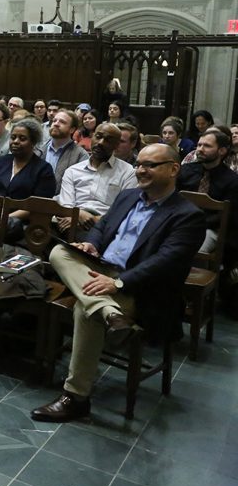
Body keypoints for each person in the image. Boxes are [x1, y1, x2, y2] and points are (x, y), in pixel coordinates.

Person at [32, 144, 204, 423]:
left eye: (151, 165)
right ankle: (111, 313)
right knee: (58, 251)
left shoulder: (187, 215)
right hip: (99, 271)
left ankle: (75, 398)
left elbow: (165, 262)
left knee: (85, 311)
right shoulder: (128, 196)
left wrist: (119, 284)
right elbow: (102, 228)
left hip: (140, 289)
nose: (141, 170)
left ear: (174, 169)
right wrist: (91, 245)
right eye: (139, 164)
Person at [56, 123, 138, 241]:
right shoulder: (73, 171)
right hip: (71, 222)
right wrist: (79, 215)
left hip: (105, 226)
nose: (101, 142)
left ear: (116, 145)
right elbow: (66, 206)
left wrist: (94, 220)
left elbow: (123, 210)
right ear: (92, 137)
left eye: (108, 140)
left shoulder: (128, 172)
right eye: (98, 136)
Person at [177, 130, 238, 256]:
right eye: (199, 145)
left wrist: (197, 222)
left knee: (194, 251)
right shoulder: (185, 171)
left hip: (210, 228)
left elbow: (228, 216)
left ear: (222, 151)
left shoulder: (232, 180)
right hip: (180, 221)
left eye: (207, 146)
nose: (200, 149)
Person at [0, 118, 56, 200]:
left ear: (33, 142)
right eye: (13, 137)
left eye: (22, 138)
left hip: (27, 212)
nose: (15, 141)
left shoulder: (43, 169)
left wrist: (9, 213)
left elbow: (39, 205)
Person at [38, 110, 88, 193]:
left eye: (62, 122)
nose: (56, 124)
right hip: (35, 200)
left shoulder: (81, 155)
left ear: (72, 129)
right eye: (54, 121)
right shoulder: (38, 149)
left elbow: (81, 186)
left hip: (64, 203)